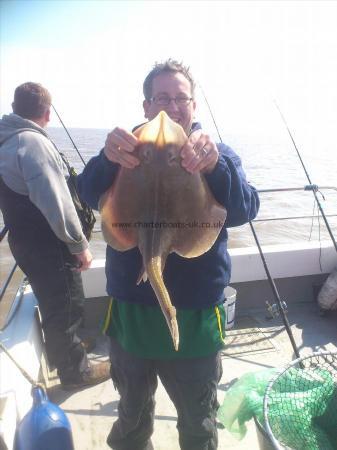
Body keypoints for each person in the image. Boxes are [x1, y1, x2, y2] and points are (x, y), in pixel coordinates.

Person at [78, 60, 260, 449]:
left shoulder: (217, 152)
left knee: (198, 419)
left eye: (181, 98)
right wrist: (108, 159)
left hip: (195, 312)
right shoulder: (126, 147)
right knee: (131, 413)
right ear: (146, 105)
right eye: (162, 97)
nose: (172, 106)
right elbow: (88, 192)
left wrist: (217, 166)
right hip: (131, 308)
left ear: (194, 106)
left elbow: (246, 208)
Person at [0, 82, 110, 389]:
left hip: (25, 242)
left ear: (14, 107)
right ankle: (76, 372)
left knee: (52, 301)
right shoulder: (33, 144)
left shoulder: (6, 140)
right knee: (66, 305)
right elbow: (54, 200)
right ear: (48, 113)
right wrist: (79, 244)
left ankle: (64, 350)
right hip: (49, 246)